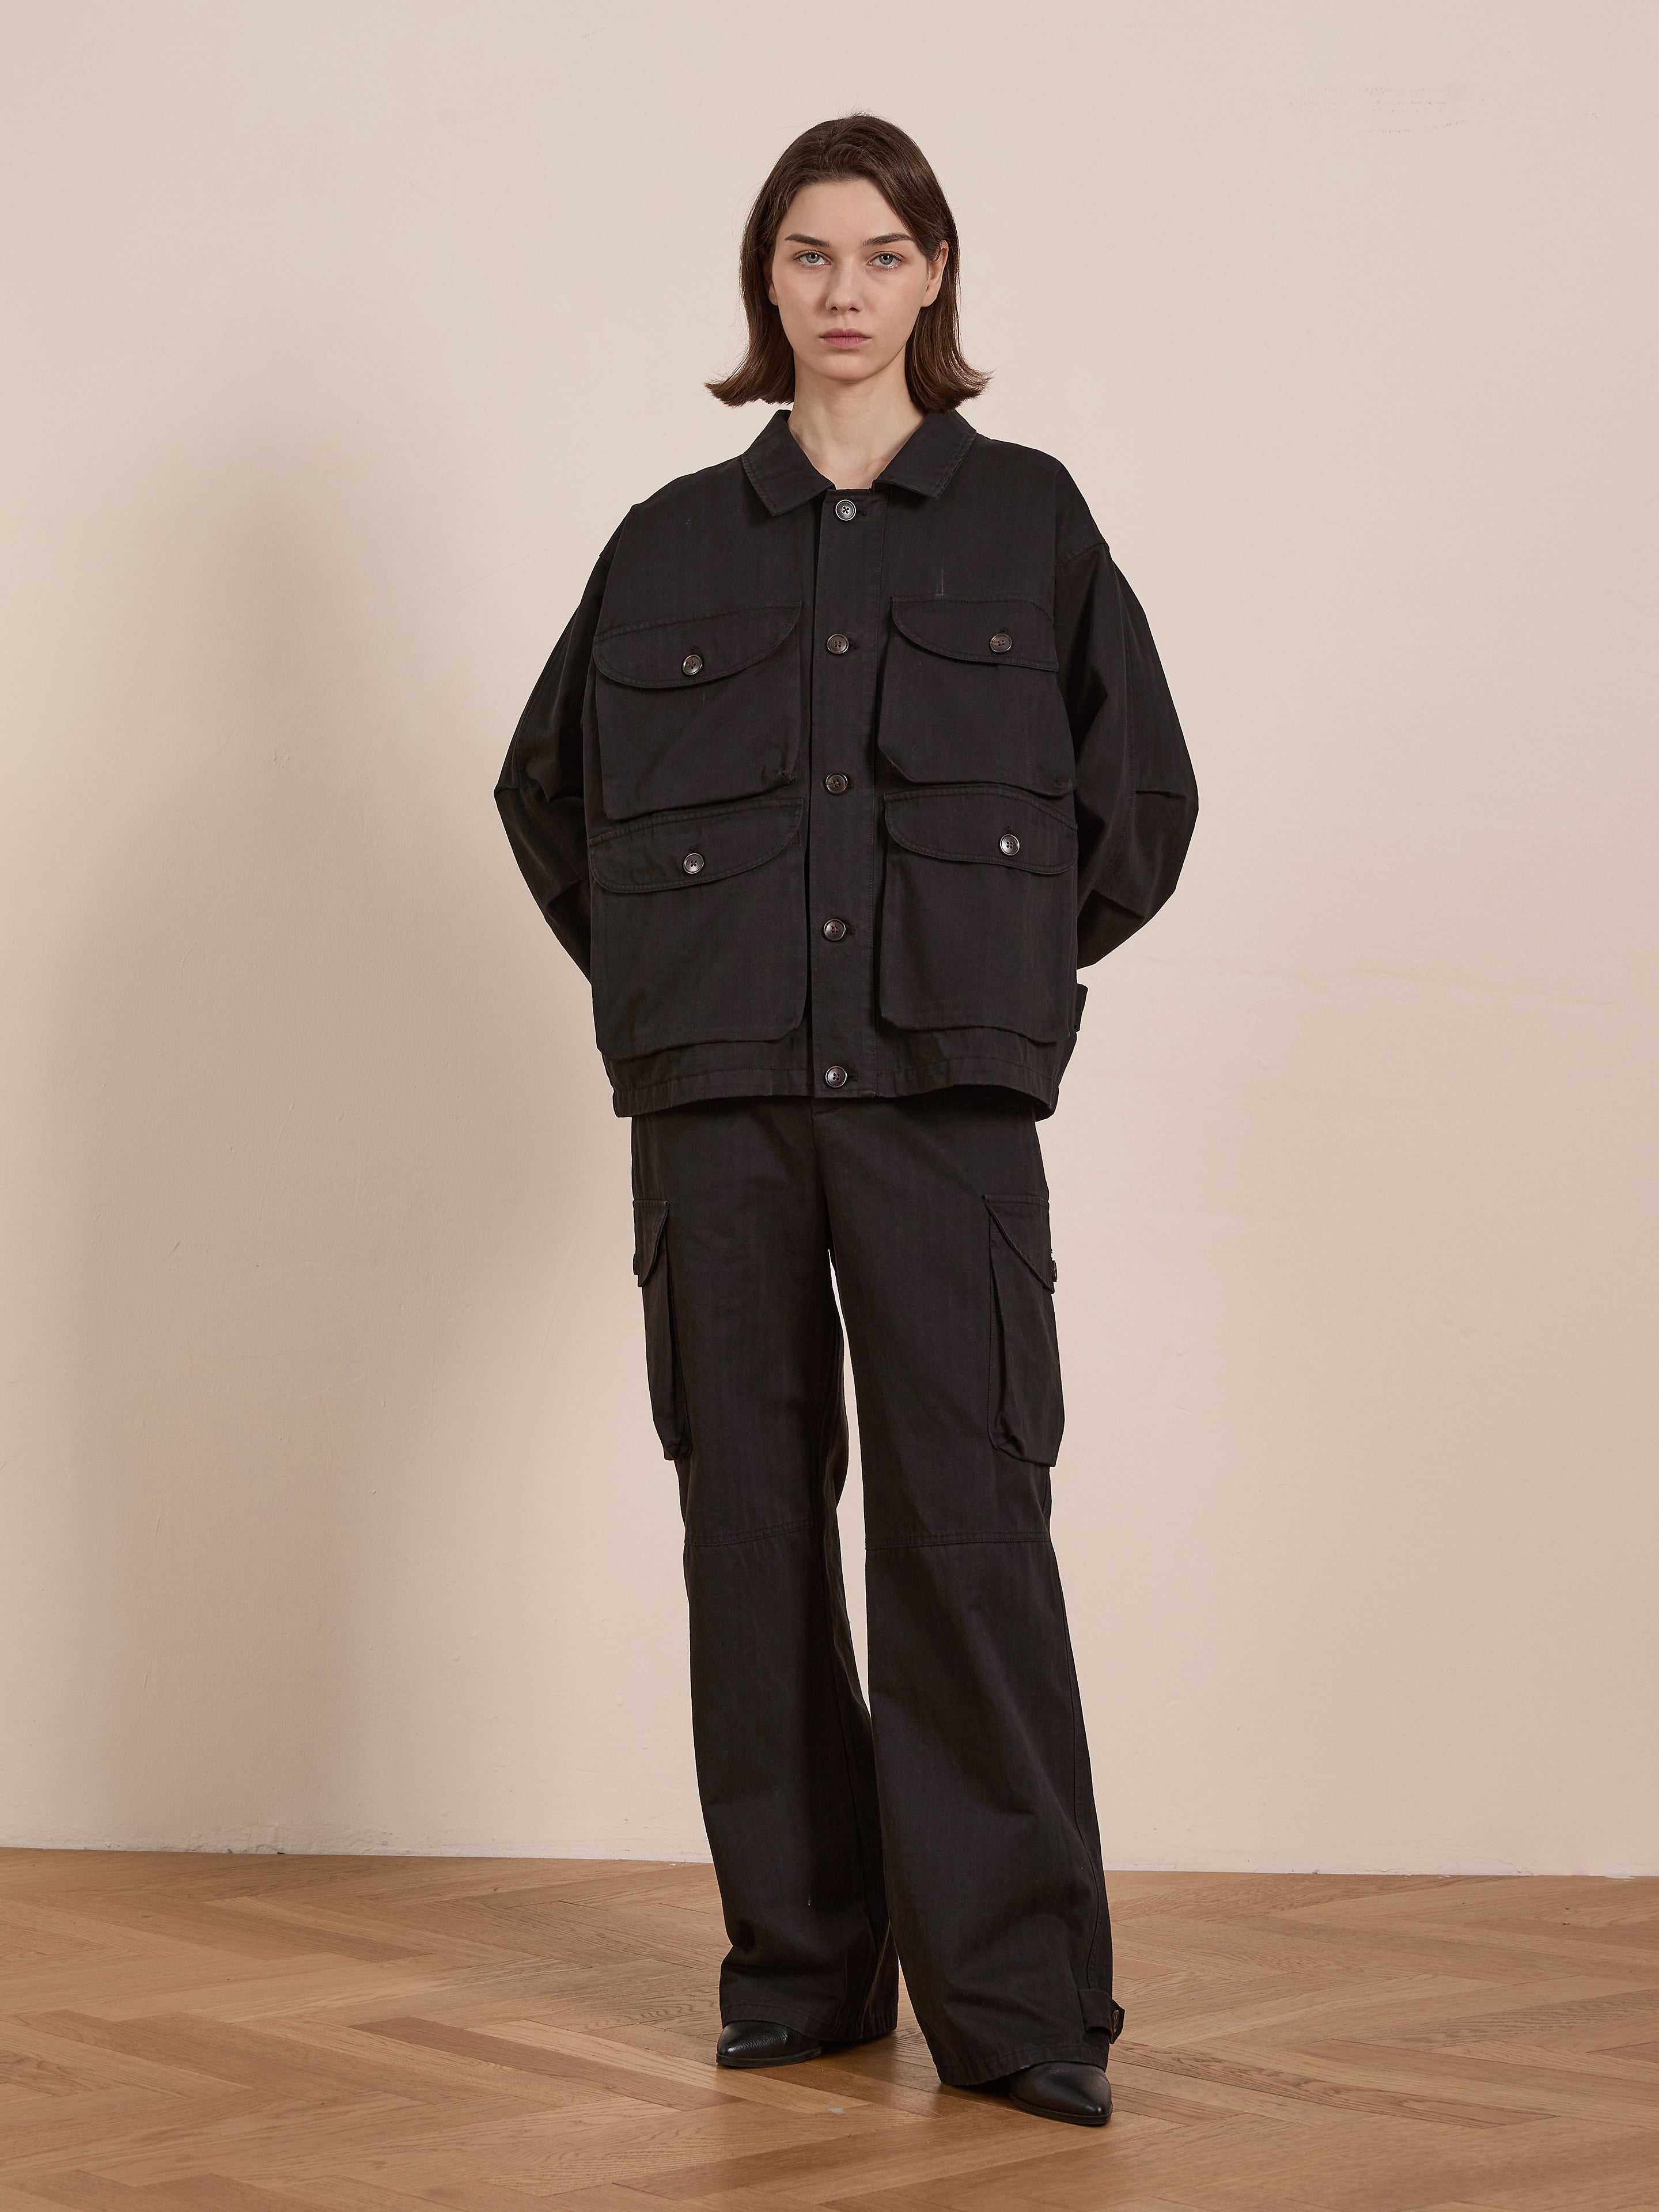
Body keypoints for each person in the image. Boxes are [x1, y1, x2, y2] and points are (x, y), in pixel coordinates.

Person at [495, 113, 1196, 2128]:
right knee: (749, 1538)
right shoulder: (666, 544)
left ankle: (1020, 2006)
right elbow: (553, 804)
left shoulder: (1032, 522)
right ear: (765, 285)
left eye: (882, 256)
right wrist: (688, 994)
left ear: (937, 281)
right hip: (716, 1115)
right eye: (809, 256)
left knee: (969, 1531)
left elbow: (1137, 805)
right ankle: (801, 1974)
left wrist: (983, 973)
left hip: (946, 1112)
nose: (843, 293)